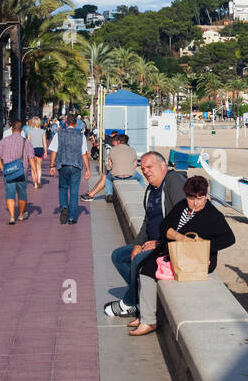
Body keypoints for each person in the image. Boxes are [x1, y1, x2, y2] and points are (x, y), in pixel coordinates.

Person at [128, 174, 236, 336]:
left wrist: (204, 245)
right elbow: (165, 227)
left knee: (149, 271)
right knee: (142, 267)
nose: (195, 202)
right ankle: (145, 314)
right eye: (191, 198)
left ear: (206, 196)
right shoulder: (181, 207)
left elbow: (229, 238)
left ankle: (149, 321)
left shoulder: (213, 215)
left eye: (200, 198)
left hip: (198, 260)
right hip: (175, 252)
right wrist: (180, 237)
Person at [104, 152, 188, 317]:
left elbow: (183, 219)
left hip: (169, 245)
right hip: (152, 242)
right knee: (118, 256)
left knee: (138, 261)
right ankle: (139, 300)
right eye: (143, 169)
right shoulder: (151, 189)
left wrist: (159, 243)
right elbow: (147, 221)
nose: (146, 172)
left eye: (150, 167)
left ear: (163, 166)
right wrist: (137, 244)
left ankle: (128, 303)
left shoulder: (173, 182)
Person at [48, 114, 89, 224]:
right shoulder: (81, 136)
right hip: (76, 166)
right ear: (76, 124)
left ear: (66, 124)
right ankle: (72, 218)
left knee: (63, 187)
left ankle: (64, 206)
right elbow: (84, 153)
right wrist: (88, 169)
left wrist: (52, 166)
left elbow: (53, 151)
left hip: (63, 165)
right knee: (74, 191)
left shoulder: (59, 134)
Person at [0, 120, 33, 224]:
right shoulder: (26, 142)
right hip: (22, 171)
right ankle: (20, 214)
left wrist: (2, 167)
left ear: (12, 129)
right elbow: (31, 158)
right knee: (22, 193)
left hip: (9, 172)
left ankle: (11, 217)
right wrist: (35, 173)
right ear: (21, 130)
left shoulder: (4, 141)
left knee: (10, 193)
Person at [85, 133, 138, 201]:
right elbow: (135, 165)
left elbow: (110, 164)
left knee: (106, 177)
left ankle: (99, 194)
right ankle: (91, 193)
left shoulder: (113, 149)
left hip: (118, 175)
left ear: (119, 141)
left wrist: (116, 168)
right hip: (131, 175)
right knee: (140, 178)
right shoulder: (132, 150)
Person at [25, 116, 46, 189]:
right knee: (39, 167)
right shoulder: (42, 131)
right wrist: (45, 152)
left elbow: (28, 142)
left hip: (32, 149)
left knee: (33, 168)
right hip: (40, 149)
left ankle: (35, 184)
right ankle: (39, 180)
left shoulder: (30, 131)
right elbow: (44, 142)